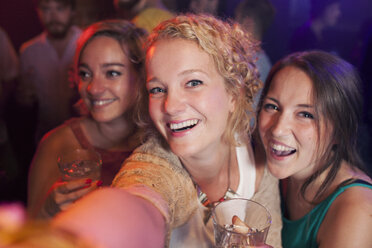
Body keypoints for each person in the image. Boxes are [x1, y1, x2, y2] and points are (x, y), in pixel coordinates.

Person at [51, 14, 282, 248]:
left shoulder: (260, 151)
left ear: (234, 93)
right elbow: (139, 199)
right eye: (158, 89)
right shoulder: (155, 165)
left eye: (193, 83)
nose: (170, 106)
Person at [27, 19, 148, 219]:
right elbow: (26, 234)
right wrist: (48, 212)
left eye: (112, 73)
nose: (94, 88)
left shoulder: (158, 143)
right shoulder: (57, 144)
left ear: (142, 77)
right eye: (85, 74)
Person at [256, 50, 372, 247]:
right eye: (272, 106)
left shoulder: (358, 210)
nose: (277, 129)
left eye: (306, 115)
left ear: (338, 130)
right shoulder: (274, 163)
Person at [17, 0, 82, 144]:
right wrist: (23, 98)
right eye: (46, 9)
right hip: (45, 136)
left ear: (72, 11)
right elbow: (25, 100)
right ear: (38, 12)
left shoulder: (87, 43)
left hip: (84, 136)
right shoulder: (29, 51)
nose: (53, 16)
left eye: (59, 9)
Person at [234, 0, 275, 83]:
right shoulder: (265, 64)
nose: (233, 26)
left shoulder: (249, 64)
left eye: (236, 19)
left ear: (248, 23)